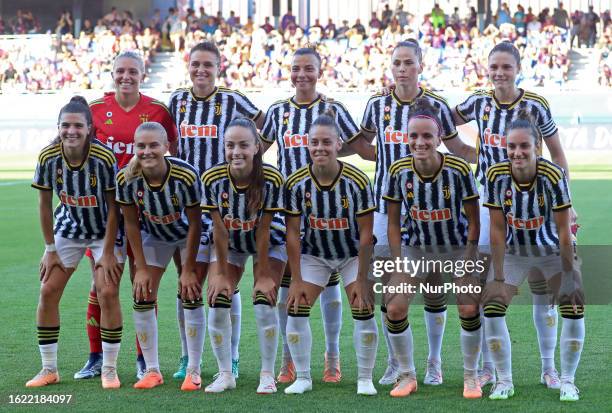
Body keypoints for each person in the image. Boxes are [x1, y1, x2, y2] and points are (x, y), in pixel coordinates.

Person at [451, 41, 574, 390]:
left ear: (517, 69)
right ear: (487, 69)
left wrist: (568, 199)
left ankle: (549, 369)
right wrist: (462, 151)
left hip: (536, 207)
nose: (500, 73)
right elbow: (445, 119)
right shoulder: (478, 101)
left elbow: (557, 155)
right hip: (491, 207)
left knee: (542, 289)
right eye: (494, 67)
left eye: (506, 67)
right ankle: (489, 368)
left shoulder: (535, 104)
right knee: (488, 287)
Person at [360, 39, 473, 386]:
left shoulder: (436, 104)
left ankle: (434, 361)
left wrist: (494, 161)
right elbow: (362, 144)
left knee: (434, 284)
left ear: (420, 66)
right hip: (387, 206)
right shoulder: (377, 103)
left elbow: (455, 148)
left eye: (409, 62)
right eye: (397, 62)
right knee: (390, 285)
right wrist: (383, 161)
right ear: (390, 66)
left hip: (432, 209)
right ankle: (396, 362)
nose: (402, 68)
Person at [261, 46, 372, 384]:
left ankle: (332, 355)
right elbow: (258, 150)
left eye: (308, 68)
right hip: (289, 209)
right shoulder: (278, 110)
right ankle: (288, 358)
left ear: (319, 72)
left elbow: (361, 145)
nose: (302, 75)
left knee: (334, 280)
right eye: (296, 68)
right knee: (290, 287)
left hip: (332, 209)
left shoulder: (333, 108)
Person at [75, 50, 177, 381]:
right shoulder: (94, 110)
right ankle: (96, 356)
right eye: (120, 71)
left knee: (142, 283)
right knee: (101, 285)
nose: (126, 76)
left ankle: (143, 359)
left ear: (143, 74)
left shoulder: (158, 111)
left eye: (132, 71)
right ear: (112, 73)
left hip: (146, 213)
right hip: (105, 214)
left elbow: (172, 153)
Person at [168, 41, 264, 380]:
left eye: (208, 64)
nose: (201, 70)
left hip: (225, 203)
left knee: (227, 282)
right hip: (187, 206)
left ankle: (232, 358)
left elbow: (261, 124)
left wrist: (250, 165)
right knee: (189, 282)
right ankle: (187, 357)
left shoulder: (232, 100)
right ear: (188, 66)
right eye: (196, 64)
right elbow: (168, 141)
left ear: (218, 68)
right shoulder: (177, 101)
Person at [482, 109, 584, 401]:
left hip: (551, 249)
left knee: (573, 304)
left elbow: (565, 231)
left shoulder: (552, 175)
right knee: (492, 306)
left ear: (537, 148)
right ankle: (504, 381)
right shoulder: (496, 175)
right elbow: (498, 230)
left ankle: (567, 380)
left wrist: (567, 275)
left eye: (524, 146)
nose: (517, 152)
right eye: (511, 146)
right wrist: (499, 276)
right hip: (514, 251)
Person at [383, 98, 482, 398]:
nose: (420, 141)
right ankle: (407, 376)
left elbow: (474, 222)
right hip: (417, 249)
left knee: (468, 305)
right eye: (414, 136)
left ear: (439, 138)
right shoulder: (399, 170)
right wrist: (399, 263)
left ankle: (471, 377)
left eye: (427, 136)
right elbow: (392, 224)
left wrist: (467, 258)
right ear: (406, 137)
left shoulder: (458, 169)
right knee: (395, 306)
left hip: (456, 248)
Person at [27, 96, 125, 389]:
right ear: (58, 127)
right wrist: (50, 249)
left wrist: (107, 253)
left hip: (104, 232)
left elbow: (114, 207)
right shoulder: (48, 157)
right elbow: (44, 205)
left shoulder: (104, 158)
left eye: (78, 125)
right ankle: (49, 369)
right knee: (48, 290)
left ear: (89, 128)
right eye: (66, 125)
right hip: (69, 229)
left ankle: (109, 369)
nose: (71, 131)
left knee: (107, 292)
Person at [283, 110, 378, 395]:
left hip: (351, 255)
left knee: (362, 306)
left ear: (338, 144)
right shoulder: (296, 183)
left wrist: (362, 279)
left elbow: (365, 235)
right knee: (296, 308)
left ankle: (364, 378)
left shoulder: (357, 181)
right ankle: (302, 377)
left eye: (326, 142)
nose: (320, 148)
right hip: (315, 255)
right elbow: (292, 234)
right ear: (307, 145)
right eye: (314, 142)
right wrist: (297, 279)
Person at [116, 122, 203, 390]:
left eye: (154, 145)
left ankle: (194, 370)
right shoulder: (126, 178)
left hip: (187, 233)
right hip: (155, 236)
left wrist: (188, 269)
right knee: (142, 293)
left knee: (191, 290)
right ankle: (152, 371)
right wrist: (139, 267)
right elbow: (131, 223)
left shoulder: (185, 175)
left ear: (166, 147)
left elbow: (197, 223)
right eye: (141, 146)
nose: (147, 151)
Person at [202, 118, 286, 394]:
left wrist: (262, 275)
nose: (236, 151)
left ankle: (267, 374)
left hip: (270, 241)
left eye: (243, 145)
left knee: (263, 298)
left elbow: (263, 230)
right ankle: (226, 373)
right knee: (218, 296)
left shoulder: (272, 178)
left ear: (256, 148)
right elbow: (219, 230)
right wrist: (221, 274)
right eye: (230, 145)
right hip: (232, 242)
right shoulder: (212, 178)